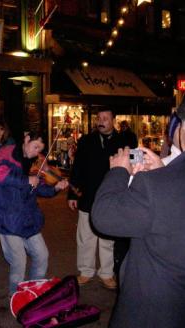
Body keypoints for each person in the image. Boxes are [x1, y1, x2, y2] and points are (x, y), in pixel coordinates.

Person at [91, 76, 185, 328]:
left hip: (155, 313)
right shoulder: (164, 179)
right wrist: (163, 168)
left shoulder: (156, 186)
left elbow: (104, 216)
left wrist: (118, 171)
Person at [0, 132, 69, 295]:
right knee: (18, 261)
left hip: (28, 217)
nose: (36, 152)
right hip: (9, 218)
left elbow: (39, 187)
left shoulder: (35, 163)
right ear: (26, 139)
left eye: (40, 149)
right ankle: (16, 296)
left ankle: (34, 291)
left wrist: (55, 188)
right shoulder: (6, 153)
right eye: (35, 147)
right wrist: (25, 179)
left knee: (42, 255)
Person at [67, 108, 126, 290]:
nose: (101, 121)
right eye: (99, 118)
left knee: (107, 238)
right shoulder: (86, 141)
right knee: (85, 237)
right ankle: (86, 271)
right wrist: (72, 194)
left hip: (111, 198)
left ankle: (107, 274)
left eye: (105, 118)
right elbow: (77, 169)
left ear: (113, 120)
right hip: (88, 196)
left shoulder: (123, 142)